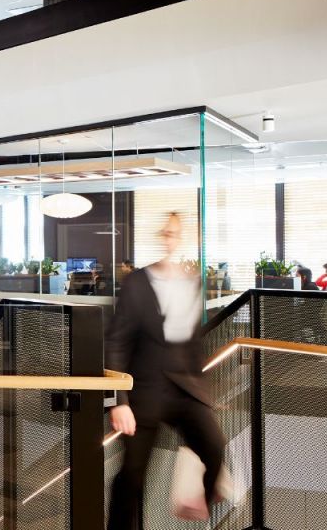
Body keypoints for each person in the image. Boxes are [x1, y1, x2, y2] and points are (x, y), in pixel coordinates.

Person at [106, 212, 225, 529]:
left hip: (185, 389)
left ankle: (198, 499)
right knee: (132, 476)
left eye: (176, 232)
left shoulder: (193, 282)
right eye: (166, 232)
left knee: (214, 448)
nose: (170, 237)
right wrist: (119, 401)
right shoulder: (137, 283)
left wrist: (205, 395)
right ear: (160, 236)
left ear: (183, 237)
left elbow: (193, 346)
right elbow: (117, 342)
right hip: (145, 390)